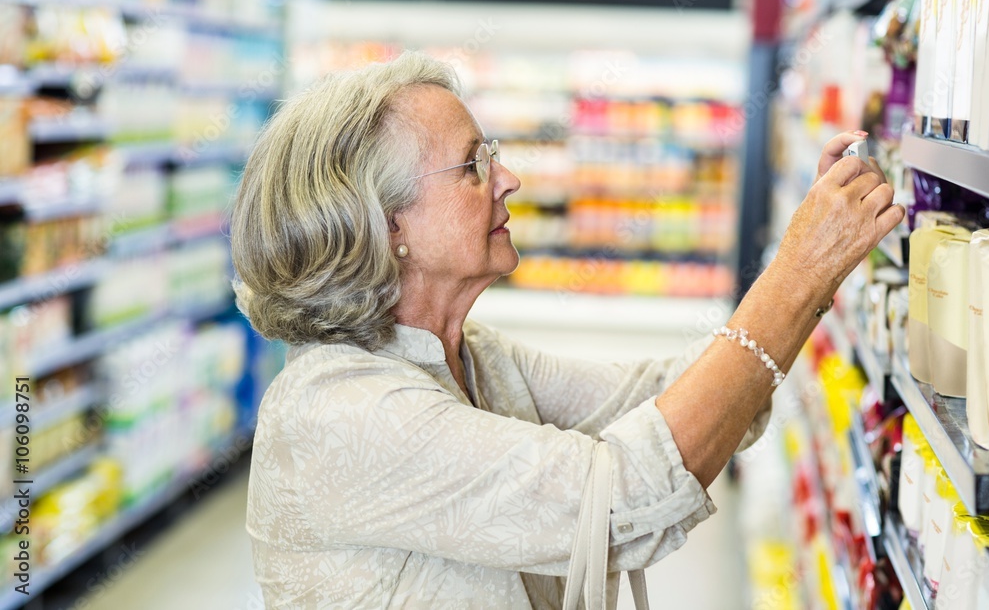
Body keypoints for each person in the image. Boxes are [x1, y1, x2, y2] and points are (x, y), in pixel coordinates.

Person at [231, 51, 903, 609]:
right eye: (474, 165)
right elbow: (618, 498)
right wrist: (797, 274)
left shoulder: (470, 357)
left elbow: (661, 397)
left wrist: (813, 271)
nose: (511, 179)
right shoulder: (342, 412)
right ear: (387, 224)